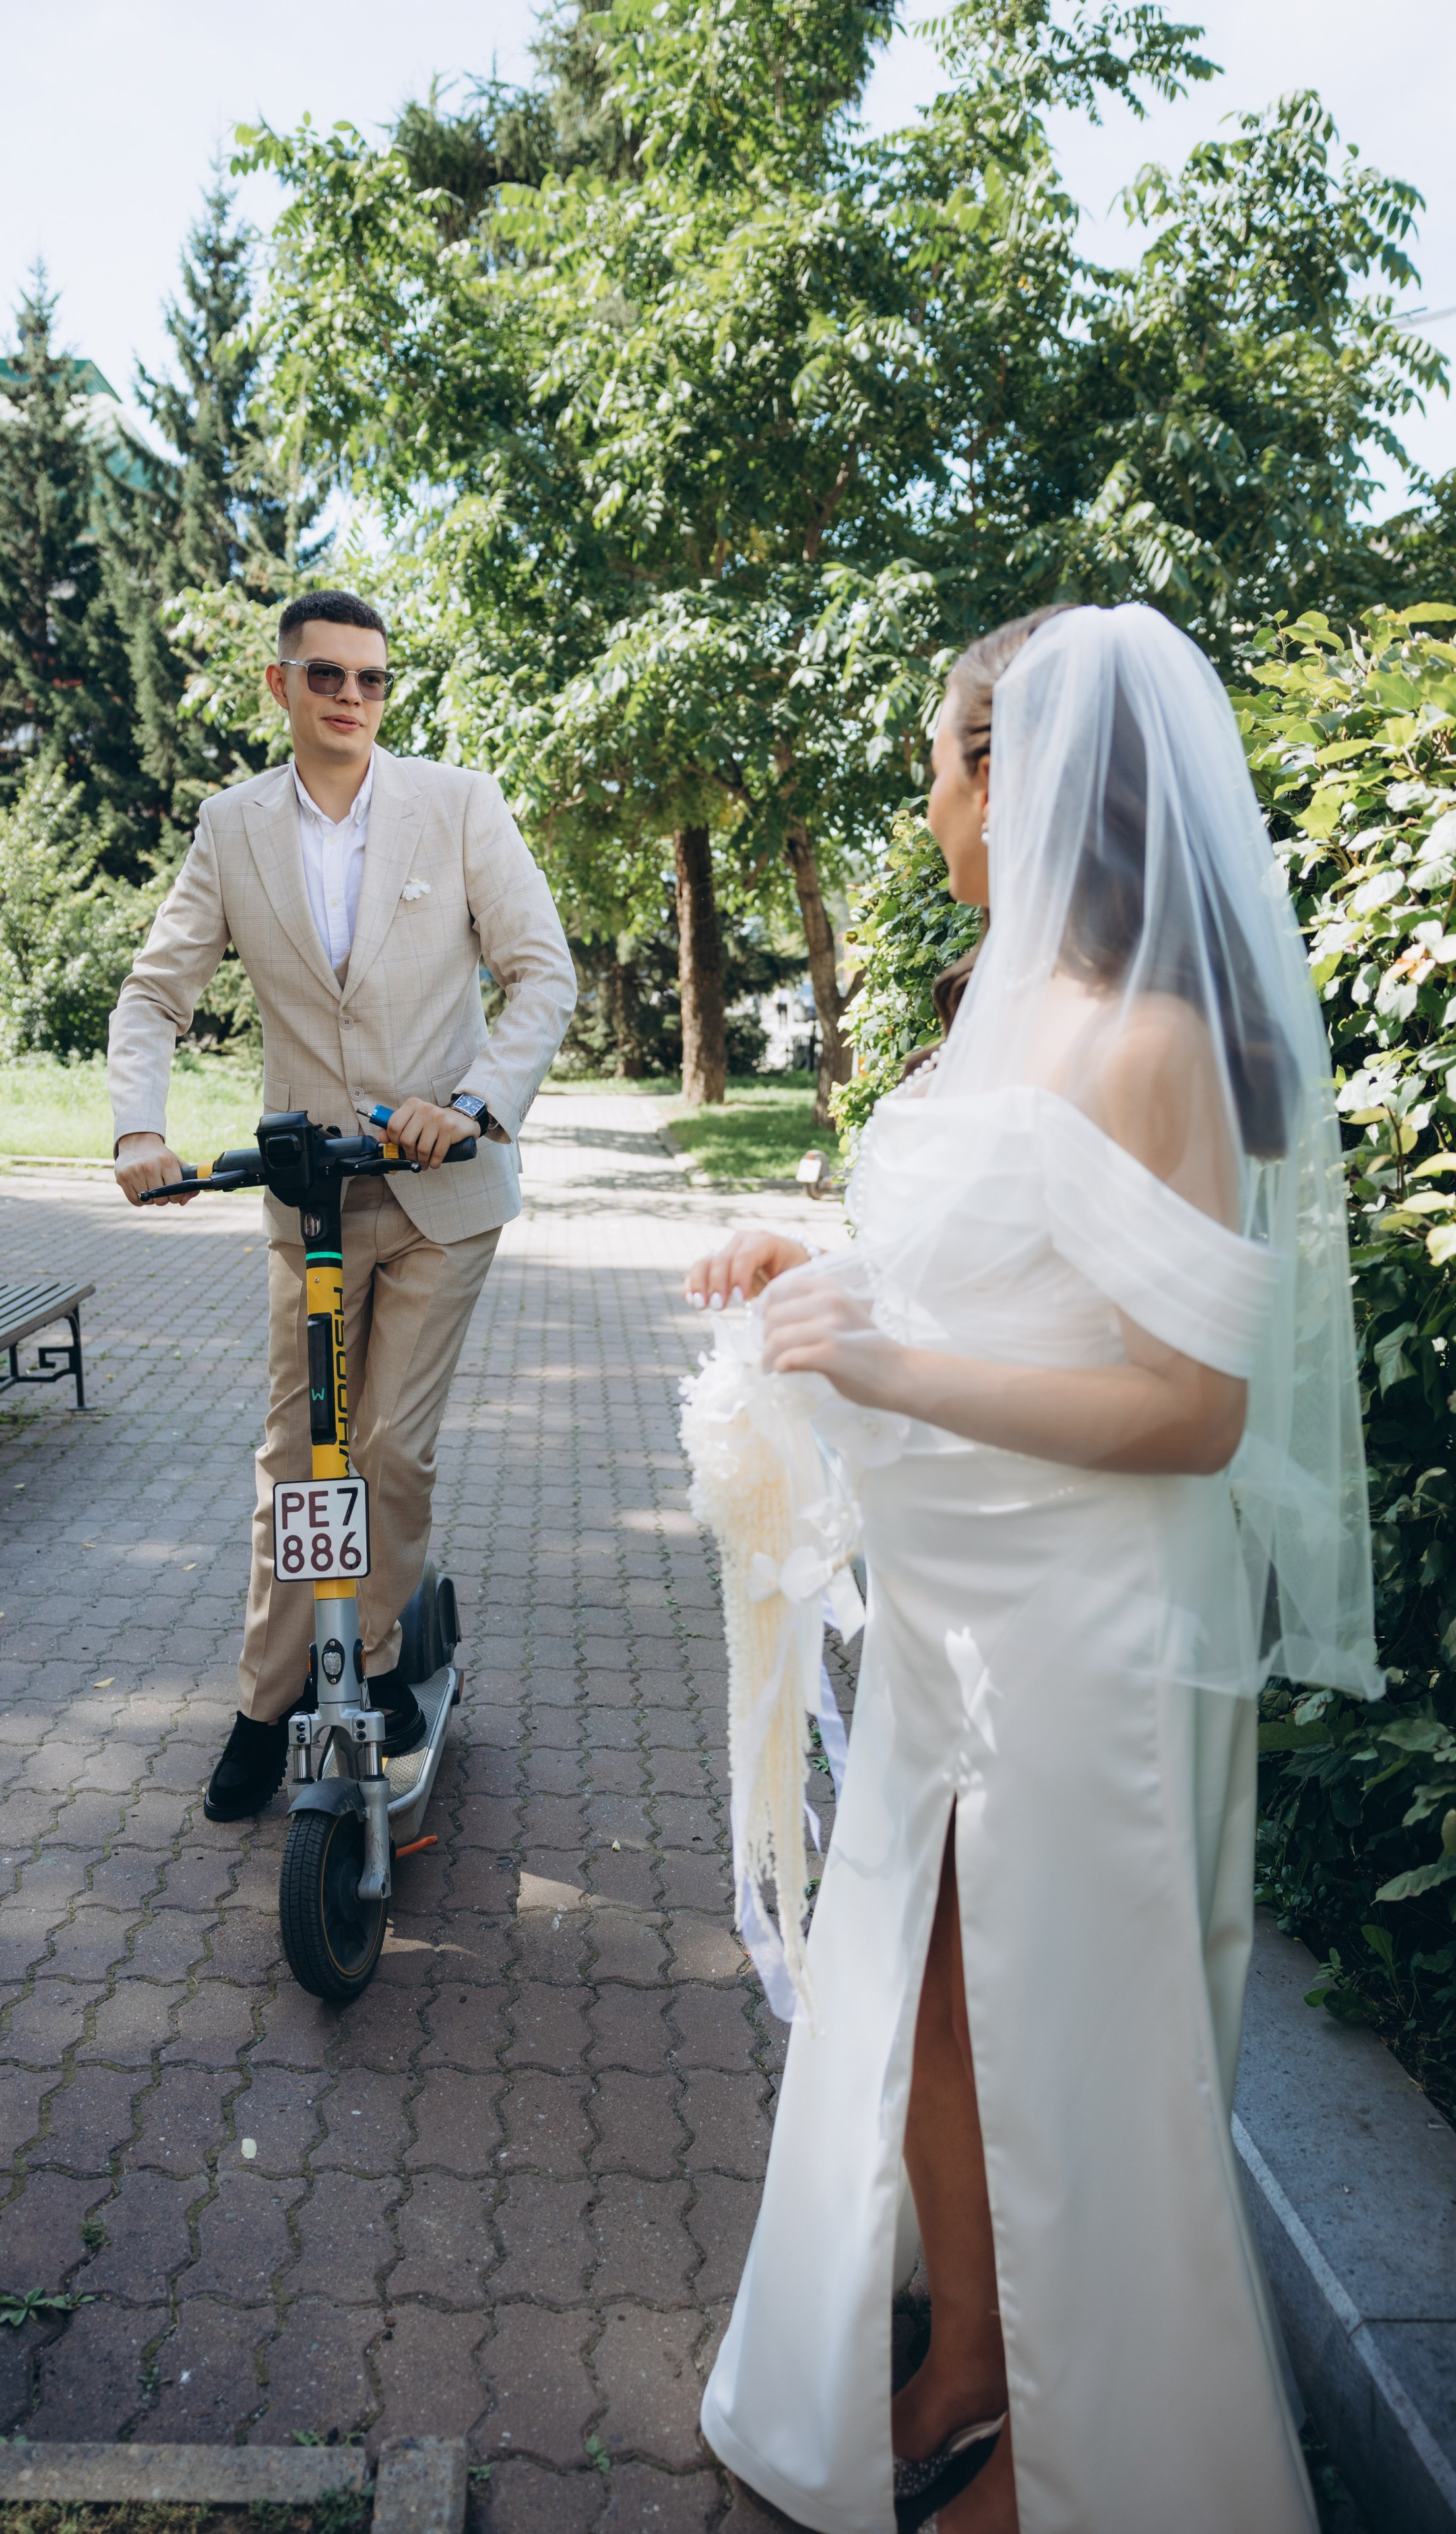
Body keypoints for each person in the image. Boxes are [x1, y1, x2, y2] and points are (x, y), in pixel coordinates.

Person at [685, 602, 1380, 2533]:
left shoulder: (1160, 1040)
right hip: (950, 1625)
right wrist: (809, 1268)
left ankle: (1087, 2474)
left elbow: (1190, 1409)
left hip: (1086, 1631)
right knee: (922, 2002)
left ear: (1011, 780)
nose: (927, 810)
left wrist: (888, 1367)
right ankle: (979, 2357)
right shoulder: (998, 1003)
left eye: (936, 769)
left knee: (1069, 2045)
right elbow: (983, 1276)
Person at [108, 589, 575, 1821]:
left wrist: (471, 1102)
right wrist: (139, 1127)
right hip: (308, 1199)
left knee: (383, 1451)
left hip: (440, 1195)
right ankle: (267, 1706)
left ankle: (362, 1668)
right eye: (327, 675)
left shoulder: (460, 805)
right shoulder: (232, 826)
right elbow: (155, 994)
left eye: (372, 678)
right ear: (282, 685)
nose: (353, 697)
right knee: (295, 1462)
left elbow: (541, 975)